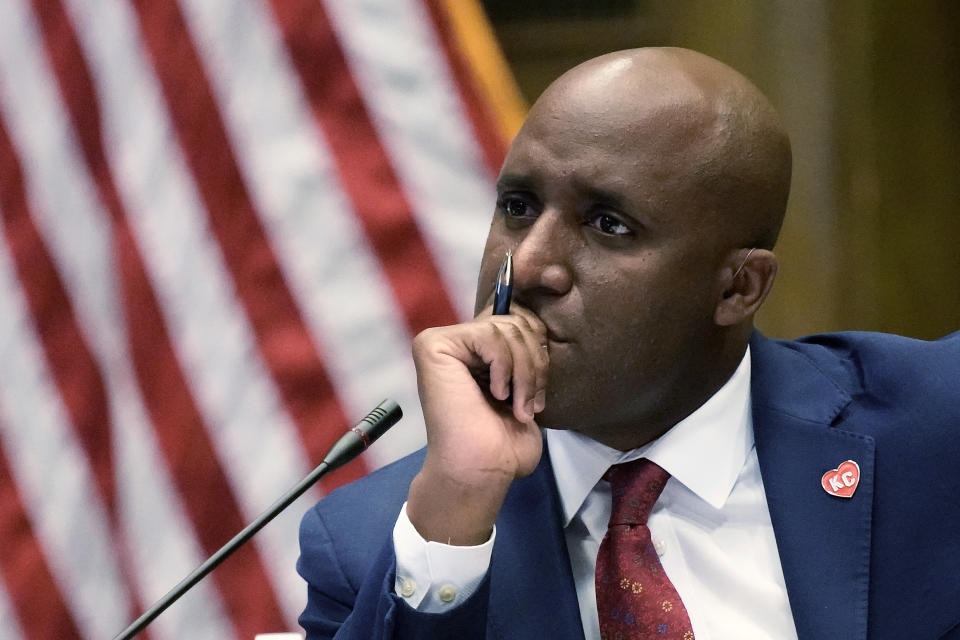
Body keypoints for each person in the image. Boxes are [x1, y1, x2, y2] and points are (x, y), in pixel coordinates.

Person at [296, 47, 960, 639]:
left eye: (609, 225)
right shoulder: (383, 546)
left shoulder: (932, 431)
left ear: (738, 287)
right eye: (519, 207)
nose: (529, 266)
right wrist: (459, 505)